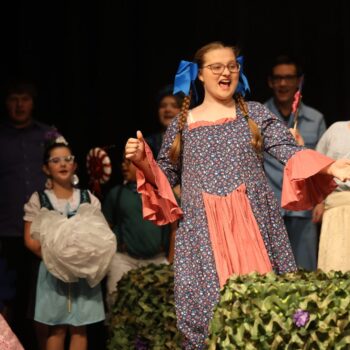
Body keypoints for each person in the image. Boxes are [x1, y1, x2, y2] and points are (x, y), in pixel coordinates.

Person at [124, 41, 350, 349]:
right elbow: (164, 178)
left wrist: (329, 166)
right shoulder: (181, 124)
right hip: (204, 235)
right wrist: (142, 162)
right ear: (200, 75)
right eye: (216, 67)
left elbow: (290, 152)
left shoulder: (254, 115)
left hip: (253, 228)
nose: (225, 72)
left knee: (262, 314)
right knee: (209, 319)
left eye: (232, 66)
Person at [23, 136, 116, 350]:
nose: (62, 164)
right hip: (52, 273)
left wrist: (82, 262)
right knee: (57, 328)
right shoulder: (39, 199)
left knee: (80, 328)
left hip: (83, 272)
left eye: (67, 159)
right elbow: (30, 240)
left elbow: (101, 235)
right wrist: (59, 261)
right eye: (55, 160)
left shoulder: (87, 198)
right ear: (46, 168)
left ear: (74, 165)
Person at [0, 79, 58, 349]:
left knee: (42, 296)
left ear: (33, 102)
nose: (20, 104)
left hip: (43, 231)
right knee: (6, 296)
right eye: (14, 98)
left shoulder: (48, 136)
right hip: (7, 229)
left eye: (25, 98)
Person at [264, 55, 327, 271]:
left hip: (304, 208)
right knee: (269, 276)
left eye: (289, 78)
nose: (283, 84)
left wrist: (321, 201)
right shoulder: (258, 117)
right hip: (269, 210)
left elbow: (322, 164)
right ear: (270, 82)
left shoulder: (315, 119)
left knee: (305, 272)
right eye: (278, 78)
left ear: (299, 81)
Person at [102, 153, 176, 309]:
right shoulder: (117, 194)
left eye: (129, 162)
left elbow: (175, 229)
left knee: (158, 309)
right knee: (118, 305)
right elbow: (105, 230)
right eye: (123, 161)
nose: (123, 165)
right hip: (124, 261)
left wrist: (170, 262)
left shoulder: (163, 194)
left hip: (158, 262)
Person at [313, 121, 350, 272]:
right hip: (334, 207)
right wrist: (319, 202)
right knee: (334, 265)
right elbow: (317, 166)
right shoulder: (336, 130)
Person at [145, 85, 183, 158]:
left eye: (174, 106)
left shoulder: (192, 140)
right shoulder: (149, 143)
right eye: (163, 106)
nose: (167, 109)